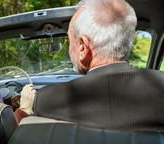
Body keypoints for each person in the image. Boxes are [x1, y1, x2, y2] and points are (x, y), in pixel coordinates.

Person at [22, 0, 164, 130]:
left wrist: (25, 109)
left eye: (70, 40)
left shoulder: (46, 100)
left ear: (83, 48)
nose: (69, 47)